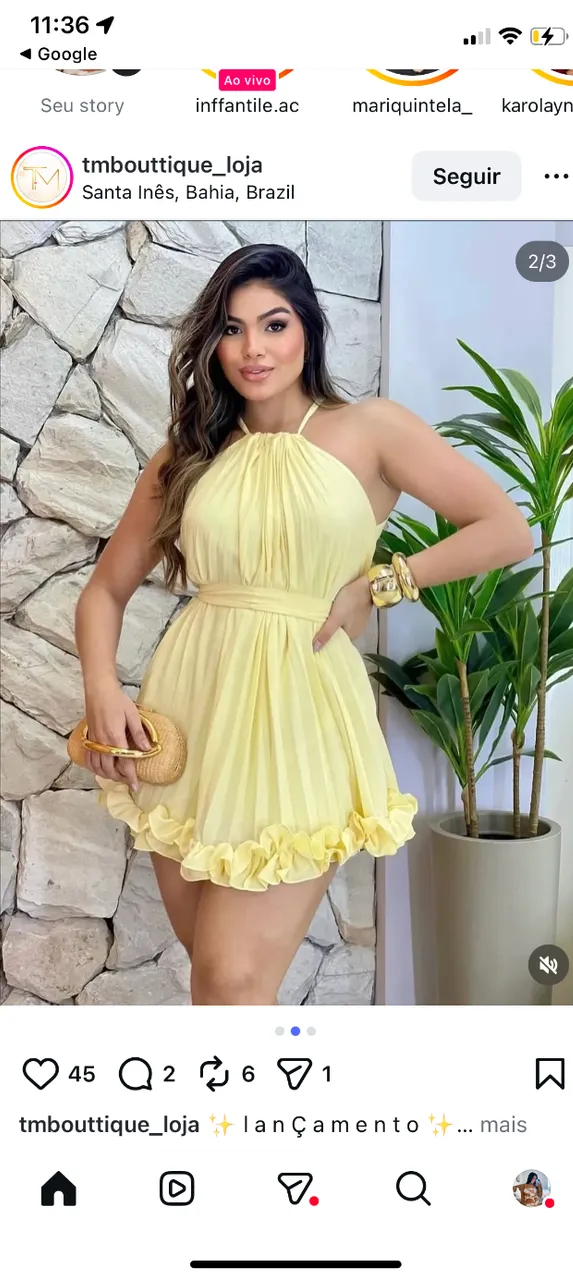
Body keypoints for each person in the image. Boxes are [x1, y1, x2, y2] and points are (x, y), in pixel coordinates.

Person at [74, 242, 534, 1006]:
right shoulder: (190, 453)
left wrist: (378, 586)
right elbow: (103, 591)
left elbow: (504, 528)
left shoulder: (370, 428)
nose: (252, 348)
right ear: (212, 344)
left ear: (308, 330)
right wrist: (102, 691)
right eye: (231, 329)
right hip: (190, 712)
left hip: (300, 716)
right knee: (216, 982)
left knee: (231, 981)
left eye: (274, 324)